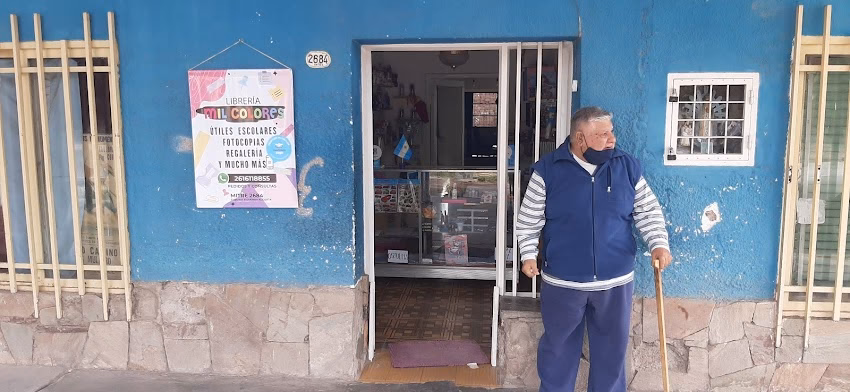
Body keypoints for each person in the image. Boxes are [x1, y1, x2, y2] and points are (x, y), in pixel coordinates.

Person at [516, 106, 672, 392]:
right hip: (563, 280)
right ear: (579, 138)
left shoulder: (626, 166)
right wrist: (528, 254)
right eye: (601, 134)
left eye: (611, 132)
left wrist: (658, 244)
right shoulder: (548, 170)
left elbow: (648, 212)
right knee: (558, 351)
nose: (611, 139)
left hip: (615, 281)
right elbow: (529, 220)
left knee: (611, 355)